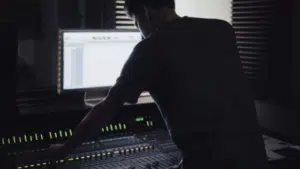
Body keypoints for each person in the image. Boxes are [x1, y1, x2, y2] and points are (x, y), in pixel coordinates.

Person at [43, 0, 268, 168]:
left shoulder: (150, 48)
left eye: (135, 22)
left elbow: (106, 109)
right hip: (255, 158)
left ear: (146, 12)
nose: (139, 31)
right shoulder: (222, 29)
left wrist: (65, 148)